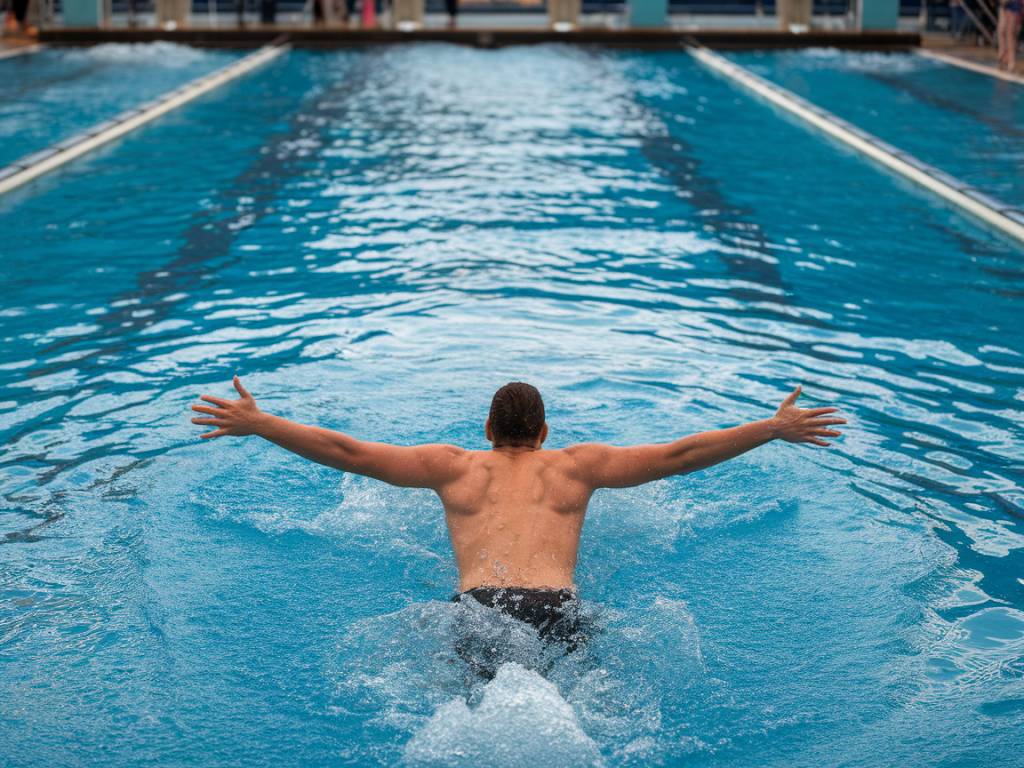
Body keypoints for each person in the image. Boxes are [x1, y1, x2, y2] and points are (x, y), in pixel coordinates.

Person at [191, 378, 844, 654]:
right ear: (545, 431)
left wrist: (259, 422)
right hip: (556, 609)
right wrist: (773, 427)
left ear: (485, 428)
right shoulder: (577, 467)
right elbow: (679, 455)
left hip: (479, 606)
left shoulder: (452, 467)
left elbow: (348, 453)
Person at [998, 0, 1021, 72]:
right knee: (1002, 31)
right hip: (1005, 6)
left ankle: (1011, 60)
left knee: (1010, 34)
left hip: (1013, 6)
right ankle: (1003, 56)